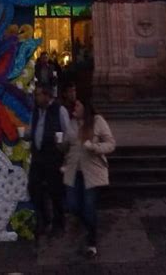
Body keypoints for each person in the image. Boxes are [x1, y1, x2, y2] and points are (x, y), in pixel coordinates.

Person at [62, 98, 115, 258]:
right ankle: (86, 226)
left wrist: (94, 147)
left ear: (85, 107)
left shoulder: (97, 121)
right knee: (72, 205)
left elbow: (111, 144)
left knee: (89, 206)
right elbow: (66, 145)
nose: (74, 107)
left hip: (91, 173)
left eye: (78, 105)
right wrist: (60, 144)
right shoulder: (71, 123)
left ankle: (91, 241)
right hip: (73, 171)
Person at [28, 85, 70, 239]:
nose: (36, 98)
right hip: (38, 157)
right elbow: (34, 129)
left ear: (47, 96)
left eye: (38, 94)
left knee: (55, 191)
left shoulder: (59, 111)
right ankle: (45, 220)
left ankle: (59, 223)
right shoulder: (36, 112)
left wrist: (63, 150)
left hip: (53, 157)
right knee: (34, 188)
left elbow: (67, 132)